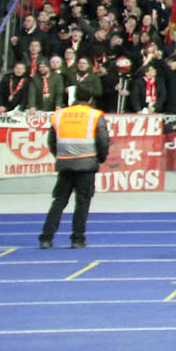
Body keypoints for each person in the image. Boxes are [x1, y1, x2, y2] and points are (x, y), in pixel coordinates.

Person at [38, 82, 110, 249]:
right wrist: (100, 158)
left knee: (59, 201)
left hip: (65, 163)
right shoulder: (94, 115)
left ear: (75, 95)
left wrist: (60, 156)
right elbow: (102, 140)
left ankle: (46, 237)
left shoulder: (60, 114)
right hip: (86, 163)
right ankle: (77, 238)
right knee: (83, 202)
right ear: (91, 97)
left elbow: (51, 140)